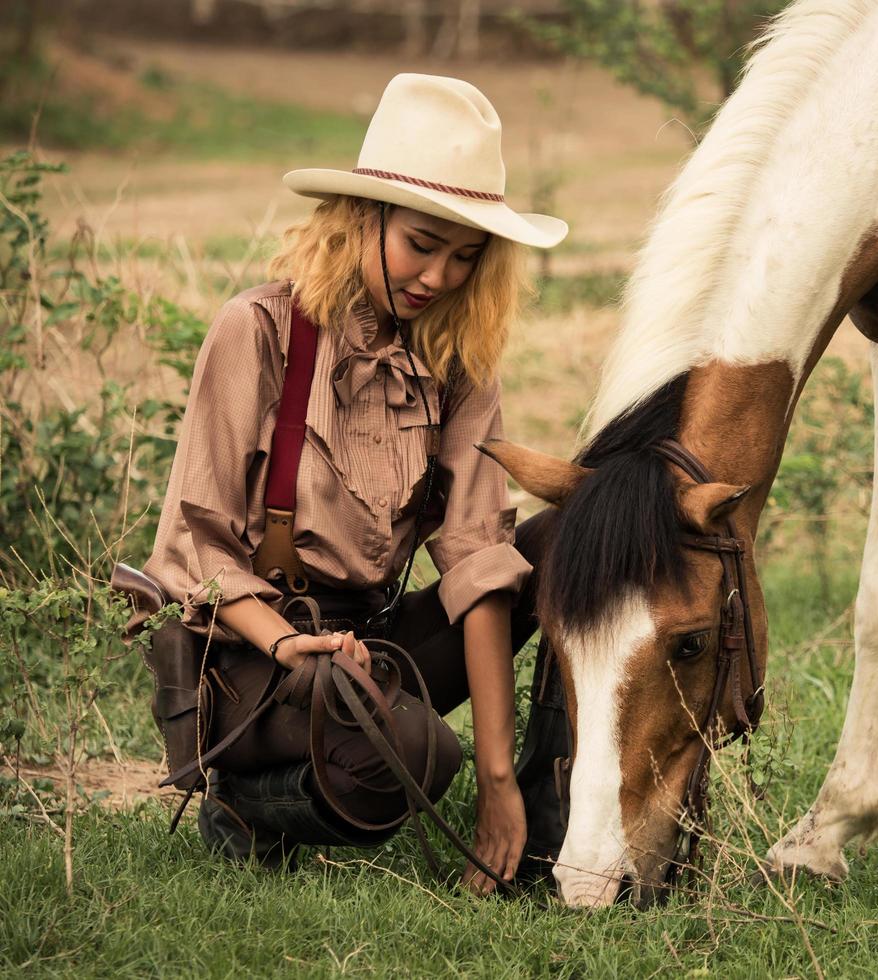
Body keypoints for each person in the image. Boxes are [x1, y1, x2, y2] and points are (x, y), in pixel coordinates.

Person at [143, 73, 569, 893]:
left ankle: (547, 811)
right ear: (360, 217)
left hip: (372, 645)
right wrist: (287, 644)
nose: (440, 278)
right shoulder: (258, 332)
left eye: (465, 256)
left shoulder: (454, 362)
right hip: (255, 651)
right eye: (422, 243)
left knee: (560, 549)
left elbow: (478, 560)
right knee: (415, 755)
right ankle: (244, 802)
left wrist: (499, 780)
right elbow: (189, 552)